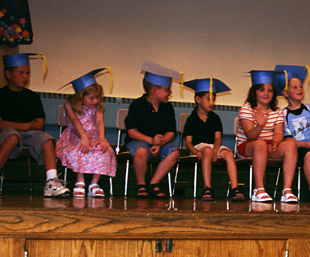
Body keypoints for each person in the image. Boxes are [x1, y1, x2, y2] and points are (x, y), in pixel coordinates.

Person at [0, 53, 70, 197]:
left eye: (27, 73)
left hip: (29, 135)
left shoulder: (32, 97)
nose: (25, 76)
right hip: (6, 135)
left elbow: (39, 125)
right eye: (20, 72)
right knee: (13, 136)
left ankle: (52, 181)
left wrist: (28, 128)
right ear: (8, 74)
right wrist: (27, 126)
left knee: (46, 139)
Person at [235, 70, 298, 203]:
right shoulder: (247, 109)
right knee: (260, 144)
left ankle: (287, 190)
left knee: (290, 145)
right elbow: (250, 136)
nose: (266, 93)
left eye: (270, 90)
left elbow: (279, 132)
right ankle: (259, 189)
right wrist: (260, 125)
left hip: (268, 145)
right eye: (262, 90)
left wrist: (276, 140)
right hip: (247, 146)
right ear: (254, 92)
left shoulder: (277, 111)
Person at [274, 64, 310, 202]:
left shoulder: (309, 108)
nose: (299, 89)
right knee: (309, 155)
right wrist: (304, 144)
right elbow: (287, 139)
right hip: (298, 149)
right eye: (294, 87)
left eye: (301, 86)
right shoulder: (283, 114)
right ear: (285, 93)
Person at [182, 77, 245, 201]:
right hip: (198, 147)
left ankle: (235, 188)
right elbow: (188, 142)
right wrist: (196, 152)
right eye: (208, 98)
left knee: (229, 154)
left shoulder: (215, 118)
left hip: (213, 147)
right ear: (197, 99)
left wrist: (216, 151)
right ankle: (207, 187)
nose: (211, 102)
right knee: (207, 151)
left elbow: (217, 138)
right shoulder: (191, 119)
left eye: (213, 99)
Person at [56, 68, 117, 197]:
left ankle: (94, 183)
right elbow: (74, 120)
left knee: (105, 149)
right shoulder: (69, 104)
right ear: (80, 96)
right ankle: (80, 181)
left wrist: (102, 138)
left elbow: (100, 121)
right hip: (75, 134)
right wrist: (83, 136)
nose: (95, 101)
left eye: (97, 98)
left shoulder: (97, 106)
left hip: (94, 134)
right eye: (91, 98)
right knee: (80, 148)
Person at [125, 61, 181, 199]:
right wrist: (150, 140)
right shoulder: (137, 105)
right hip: (139, 141)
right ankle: (140, 184)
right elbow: (132, 132)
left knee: (173, 152)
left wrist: (159, 144)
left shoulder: (167, 108)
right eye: (167, 89)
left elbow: (170, 132)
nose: (170, 92)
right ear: (155, 91)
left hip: (160, 144)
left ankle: (154, 182)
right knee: (141, 150)